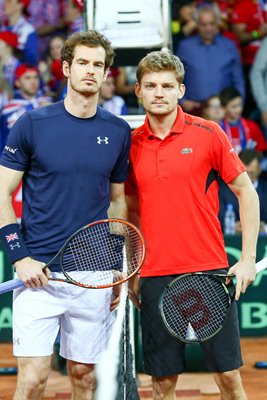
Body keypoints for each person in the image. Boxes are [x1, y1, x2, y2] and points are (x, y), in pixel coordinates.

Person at [0, 30, 131, 400]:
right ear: (66, 68)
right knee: (32, 380)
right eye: (83, 63)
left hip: (93, 274)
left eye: (98, 65)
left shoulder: (118, 131)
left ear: (106, 74)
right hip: (36, 273)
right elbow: (1, 192)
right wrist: (19, 256)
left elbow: (117, 202)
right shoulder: (32, 124)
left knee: (84, 377)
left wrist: (116, 261)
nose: (91, 71)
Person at [126, 50, 259, 400]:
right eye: (151, 85)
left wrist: (247, 259)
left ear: (180, 90)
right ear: (138, 90)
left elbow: (247, 193)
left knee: (228, 376)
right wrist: (134, 268)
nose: (159, 92)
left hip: (209, 273)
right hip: (155, 276)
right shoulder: (131, 145)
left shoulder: (208, 132)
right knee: (162, 383)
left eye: (167, 85)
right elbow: (130, 211)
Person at [175, 3, 245, 116]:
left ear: (217, 23)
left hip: (223, 110)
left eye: (212, 24)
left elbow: (238, 80)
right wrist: (182, 101)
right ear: (197, 24)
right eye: (204, 24)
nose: (208, 28)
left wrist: (237, 105)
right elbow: (175, 77)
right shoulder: (185, 47)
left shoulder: (229, 45)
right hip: (194, 110)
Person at [219, 149, 267, 235]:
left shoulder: (265, 189)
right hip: (231, 242)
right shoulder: (224, 191)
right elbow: (217, 218)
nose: (247, 178)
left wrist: (264, 228)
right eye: (245, 174)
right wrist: (231, 227)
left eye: (251, 173)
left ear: (259, 170)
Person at [219, 87, 267, 155]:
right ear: (224, 108)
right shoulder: (219, 128)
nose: (238, 109)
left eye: (240, 105)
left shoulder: (252, 126)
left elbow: (261, 151)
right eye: (234, 106)